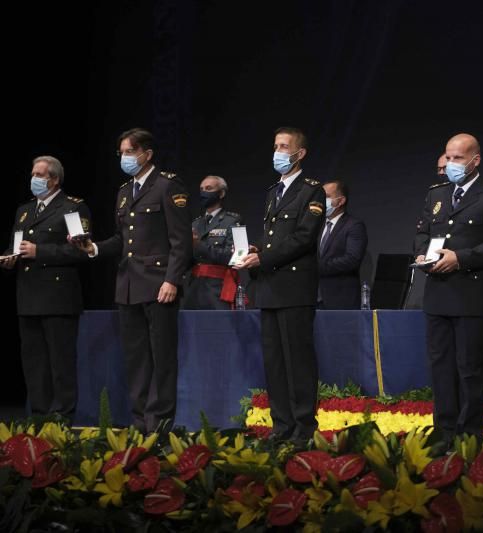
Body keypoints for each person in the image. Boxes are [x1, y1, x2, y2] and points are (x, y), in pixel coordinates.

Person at [73, 128, 192, 433]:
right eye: (122, 153)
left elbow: (180, 241)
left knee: (162, 359)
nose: (125, 158)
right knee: (137, 360)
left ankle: (159, 426)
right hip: (128, 286)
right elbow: (122, 239)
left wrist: (172, 281)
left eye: (130, 152)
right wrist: (94, 247)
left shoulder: (167, 186)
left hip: (158, 286)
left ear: (146, 154)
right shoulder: (125, 192)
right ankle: (140, 423)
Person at [414, 133, 483, 442]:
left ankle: (469, 435)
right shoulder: (436, 194)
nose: (451, 163)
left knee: (469, 368)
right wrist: (422, 254)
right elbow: (422, 232)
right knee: (441, 368)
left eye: (458, 158)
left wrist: (461, 258)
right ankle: (443, 434)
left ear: (475, 160)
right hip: (437, 294)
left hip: (470, 294)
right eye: (448, 156)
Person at [235, 127, 325, 447]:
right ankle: (281, 424)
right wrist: (256, 251)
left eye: (284, 146)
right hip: (271, 287)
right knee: (273, 360)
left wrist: (264, 258)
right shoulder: (274, 191)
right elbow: (274, 239)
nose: (278, 152)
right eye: (275, 146)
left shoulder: (312, 191)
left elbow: (303, 238)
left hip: (295, 287)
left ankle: (303, 426)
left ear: (299, 153)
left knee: (297, 360)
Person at [2, 156, 90, 422]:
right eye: (33, 173)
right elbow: (16, 246)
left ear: (54, 179)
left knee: (60, 363)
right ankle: (39, 417)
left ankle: (61, 418)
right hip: (28, 297)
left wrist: (40, 251)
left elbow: (80, 252)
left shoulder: (73, 207)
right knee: (34, 363)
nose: (34, 179)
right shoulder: (24, 210)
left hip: (58, 297)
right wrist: (9, 258)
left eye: (39, 174)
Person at [182, 175, 244, 309]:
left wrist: (199, 245)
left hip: (218, 290)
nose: (204, 192)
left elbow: (239, 257)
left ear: (221, 193)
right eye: (201, 189)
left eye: (209, 188)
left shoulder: (234, 220)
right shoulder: (195, 223)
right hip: (194, 289)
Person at [317, 180, 367, 309]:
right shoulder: (317, 225)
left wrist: (315, 267)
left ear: (341, 201)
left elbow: (352, 260)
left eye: (327, 197)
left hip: (340, 299)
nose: (321, 201)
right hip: (315, 298)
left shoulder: (354, 225)